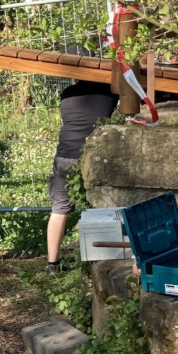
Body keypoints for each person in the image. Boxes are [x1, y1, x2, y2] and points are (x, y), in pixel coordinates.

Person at [47, 79, 118, 273]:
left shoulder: (68, 93)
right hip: (93, 155)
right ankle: (100, 257)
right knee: (102, 206)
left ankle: (52, 264)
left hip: (65, 155)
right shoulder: (109, 91)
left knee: (59, 209)